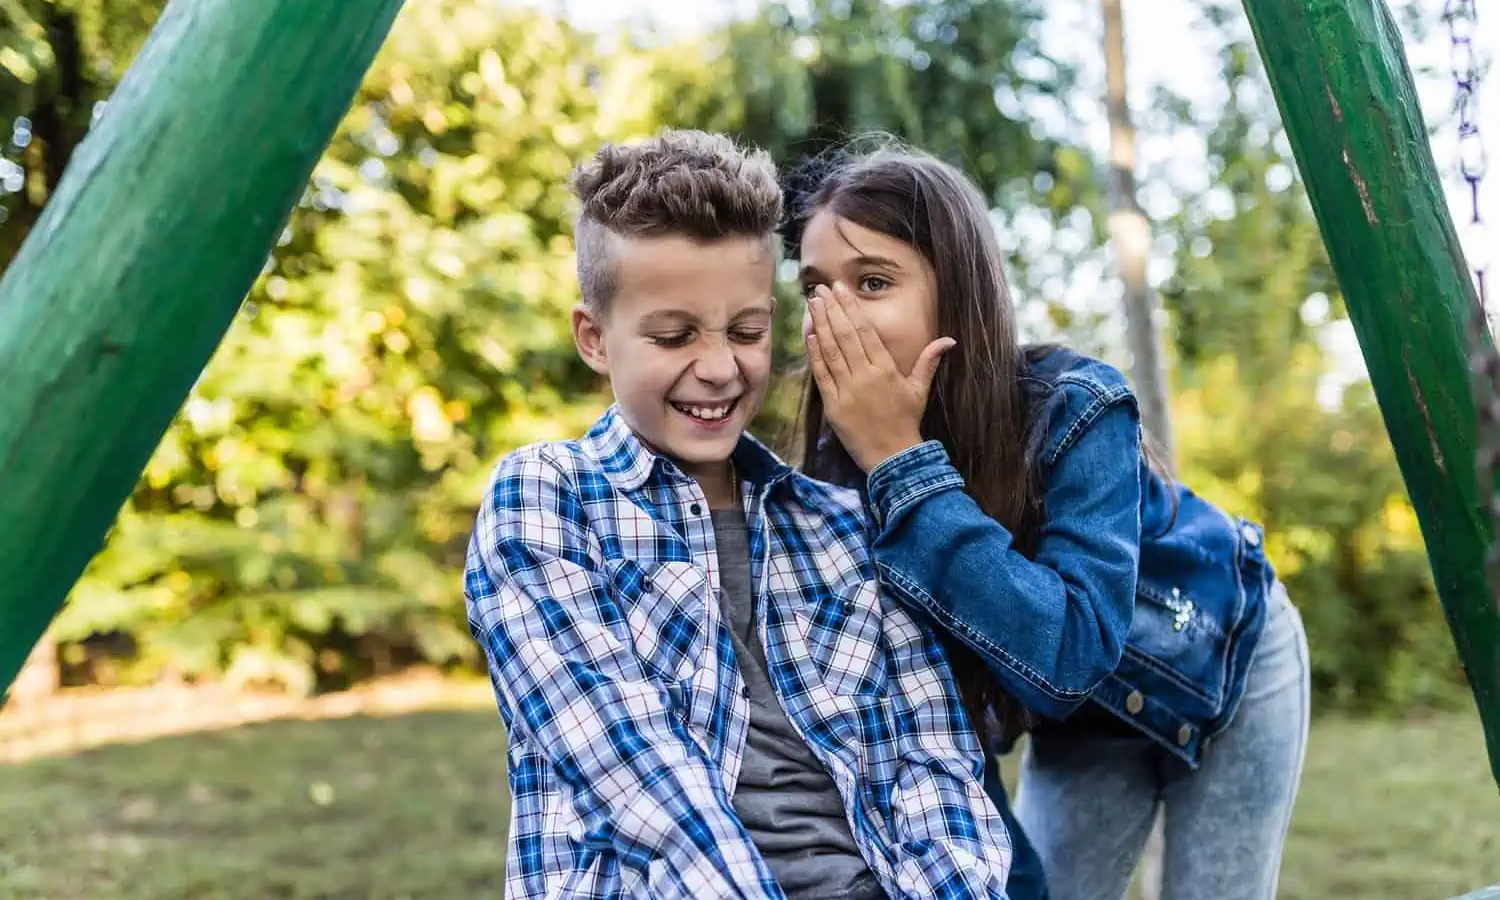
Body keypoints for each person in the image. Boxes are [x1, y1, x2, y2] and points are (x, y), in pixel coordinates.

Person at [463, 130, 1016, 900]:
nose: (720, 367)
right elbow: (636, 779)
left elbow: (931, 767)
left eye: (748, 331)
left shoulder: (844, 527)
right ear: (594, 339)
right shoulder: (544, 500)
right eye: (674, 335)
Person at [787, 144, 1311, 900]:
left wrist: (901, 463)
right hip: (1088, 724)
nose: (833, 316)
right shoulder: (837, 471)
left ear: (956, 293)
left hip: (1226, 658)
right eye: (814, 289)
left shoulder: (1076, 406)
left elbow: (1069, 653)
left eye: (872, 282)